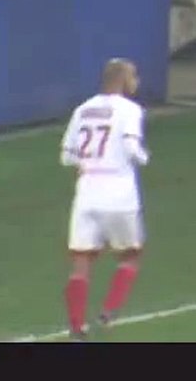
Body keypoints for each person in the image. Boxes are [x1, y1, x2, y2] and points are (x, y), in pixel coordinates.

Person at [60, 58, 150, 341]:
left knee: (81, 262)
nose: (137, 81)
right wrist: (143, 158)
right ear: (123, 79)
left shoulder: (82, 109)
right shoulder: (130, 110)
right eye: (134, 75)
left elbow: (66, 156)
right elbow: (131, 147)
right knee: (131, 254)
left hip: (86, 192)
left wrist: (88, 163)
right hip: (119, 193)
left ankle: (76, 326)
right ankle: (109, 310)